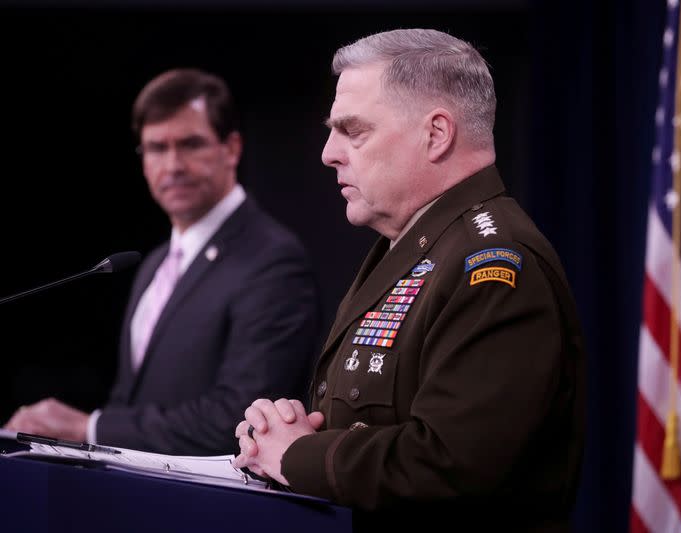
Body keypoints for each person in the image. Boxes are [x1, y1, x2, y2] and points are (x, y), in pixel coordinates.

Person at [232, 29, 586, 531]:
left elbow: (451, 462)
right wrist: (296, 432)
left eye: (353, 131)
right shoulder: (418, 245)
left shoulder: (493, 264)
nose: (328, 153)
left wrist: (300, 458)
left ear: (436, 134)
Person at [4, 68, 320, 456]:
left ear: (232, 148)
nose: (173, 165)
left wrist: (90, 427)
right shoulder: (153, 265)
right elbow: (131, 402)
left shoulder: (273, 260)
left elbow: (241, 419)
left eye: (191, 144)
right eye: (156, 147)